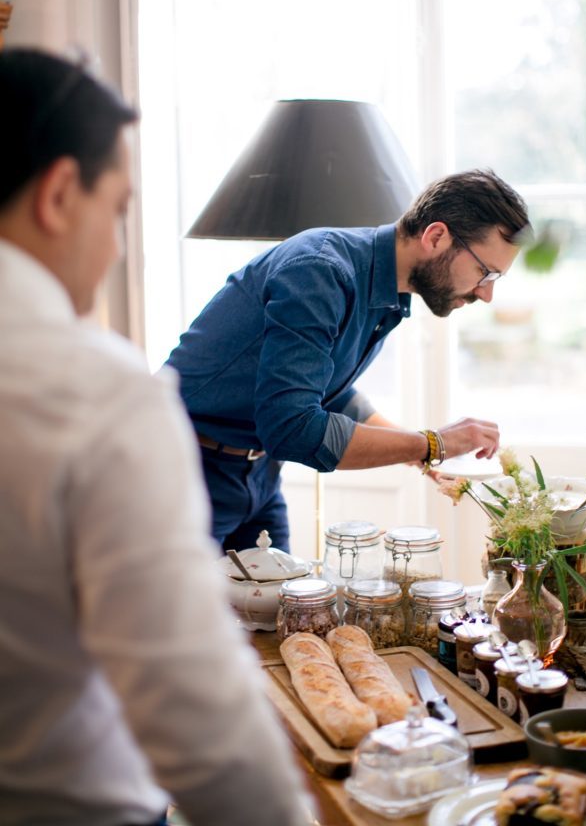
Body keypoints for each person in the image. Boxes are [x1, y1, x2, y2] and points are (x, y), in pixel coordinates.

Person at [0, 48, 310, 826]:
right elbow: (193, 710)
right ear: (60, 194)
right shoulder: (95, 393)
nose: (113, 250)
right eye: (118, 212)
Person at [167, 168, 530, 553]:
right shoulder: (319, 271)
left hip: (259, 475)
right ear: (436, 236)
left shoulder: (383, 288)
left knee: (288, 610)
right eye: (485, 272)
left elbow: (330, 392)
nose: (486, 294)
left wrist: (425, 457)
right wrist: (431, 444)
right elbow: (293, 428)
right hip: (183, 469)